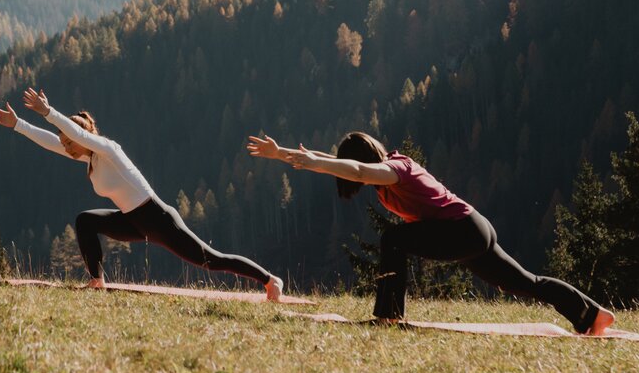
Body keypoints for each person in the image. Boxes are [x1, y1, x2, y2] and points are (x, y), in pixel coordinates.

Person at [247, 129, 615, 334]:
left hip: (464, 231)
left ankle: (389, 315)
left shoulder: (395, 170)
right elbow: (340, 163)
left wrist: (314, 163)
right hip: (472, 228)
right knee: (525, 283)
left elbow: (357, 171)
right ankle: (591, 315)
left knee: (394, 239)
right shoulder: (387, 173)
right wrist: (283, 154)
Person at [0, 87, 284, 299]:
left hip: (158, 219)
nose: (65, 146)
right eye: (65, 142)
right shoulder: (88, 157)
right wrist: (18, 124)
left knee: (210, 259)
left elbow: (77, 135)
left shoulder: (108, 149)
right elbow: (53, 142)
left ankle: (270, 280)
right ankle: (96, 281)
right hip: (132, 221)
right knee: (85, 221)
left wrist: (49, 112)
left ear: (83, 137)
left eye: (69, 141)